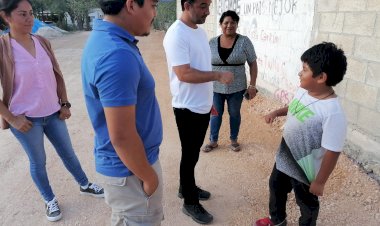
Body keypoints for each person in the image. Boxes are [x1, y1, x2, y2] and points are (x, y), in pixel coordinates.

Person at [0, 0, 104, 222]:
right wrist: (11, 118)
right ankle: (49, 199)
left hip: (53, 113)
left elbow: (56, 74)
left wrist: (64, 103)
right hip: (25, 120)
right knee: (38, 161)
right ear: (6, 17)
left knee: (68, 153)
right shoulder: (2, 48)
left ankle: (85, 184)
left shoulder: (42, 41)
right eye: (22, 14)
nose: (30, 19)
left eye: (31, 13)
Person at [81, 0, 164, 225]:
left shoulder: (107, 40)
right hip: (131, 173)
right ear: (131, 5)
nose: (154, 13)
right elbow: (122, 136)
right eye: (153, 5)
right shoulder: (117, 54)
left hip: (128, 168)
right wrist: (149, 178)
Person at [255, 42, 347, 226]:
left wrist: (320, 182)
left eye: (304, 69)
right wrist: (276, 113)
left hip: (306, 170)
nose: (299, 73)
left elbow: (333, 150)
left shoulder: (332, 112)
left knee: (306, 204)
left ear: (321, 77)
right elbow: (294, 107)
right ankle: (277, 220)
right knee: (276, 186)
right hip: (285, 156)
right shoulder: (304, 91)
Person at [163, 0, 234, 224]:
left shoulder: (200, 33)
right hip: (187, 107)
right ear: (187, 5)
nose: (208, 11)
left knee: (192, 153)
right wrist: (218, 76)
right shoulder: (176, 35)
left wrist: (207, 100)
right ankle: (190, 202)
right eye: (203, 6)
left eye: (209, 5)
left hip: (200, 105)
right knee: (190, 154)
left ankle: (187, 188)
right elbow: (184, 74)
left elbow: (200, 67)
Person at [203, 10, 258, 153]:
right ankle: (213, 141)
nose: (229, 25)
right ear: (220, 24)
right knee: (215, 113)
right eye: (226, 22)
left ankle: (233, 139)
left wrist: (252, 85)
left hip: (237, 87)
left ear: (236, 24)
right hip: (215, 86)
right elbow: (204, 63)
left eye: (233, 22)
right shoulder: (212, 42)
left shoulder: (244, 41)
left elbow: (253, 63)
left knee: (234, 113)